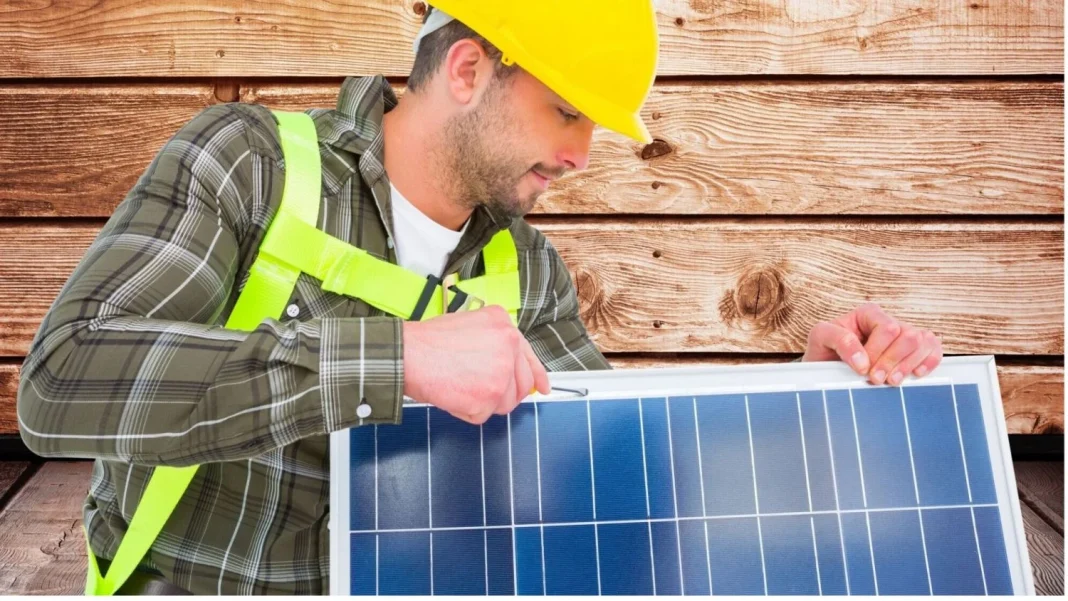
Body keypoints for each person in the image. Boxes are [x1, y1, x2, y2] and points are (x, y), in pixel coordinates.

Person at [16, 1, 943, 595]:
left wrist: (812, 398)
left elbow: (618, 485)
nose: (582, 154)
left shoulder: (526, 272)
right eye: (569, 112)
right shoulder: (248, 166)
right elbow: (63, 383)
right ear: (468, 71)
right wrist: (397, 360)